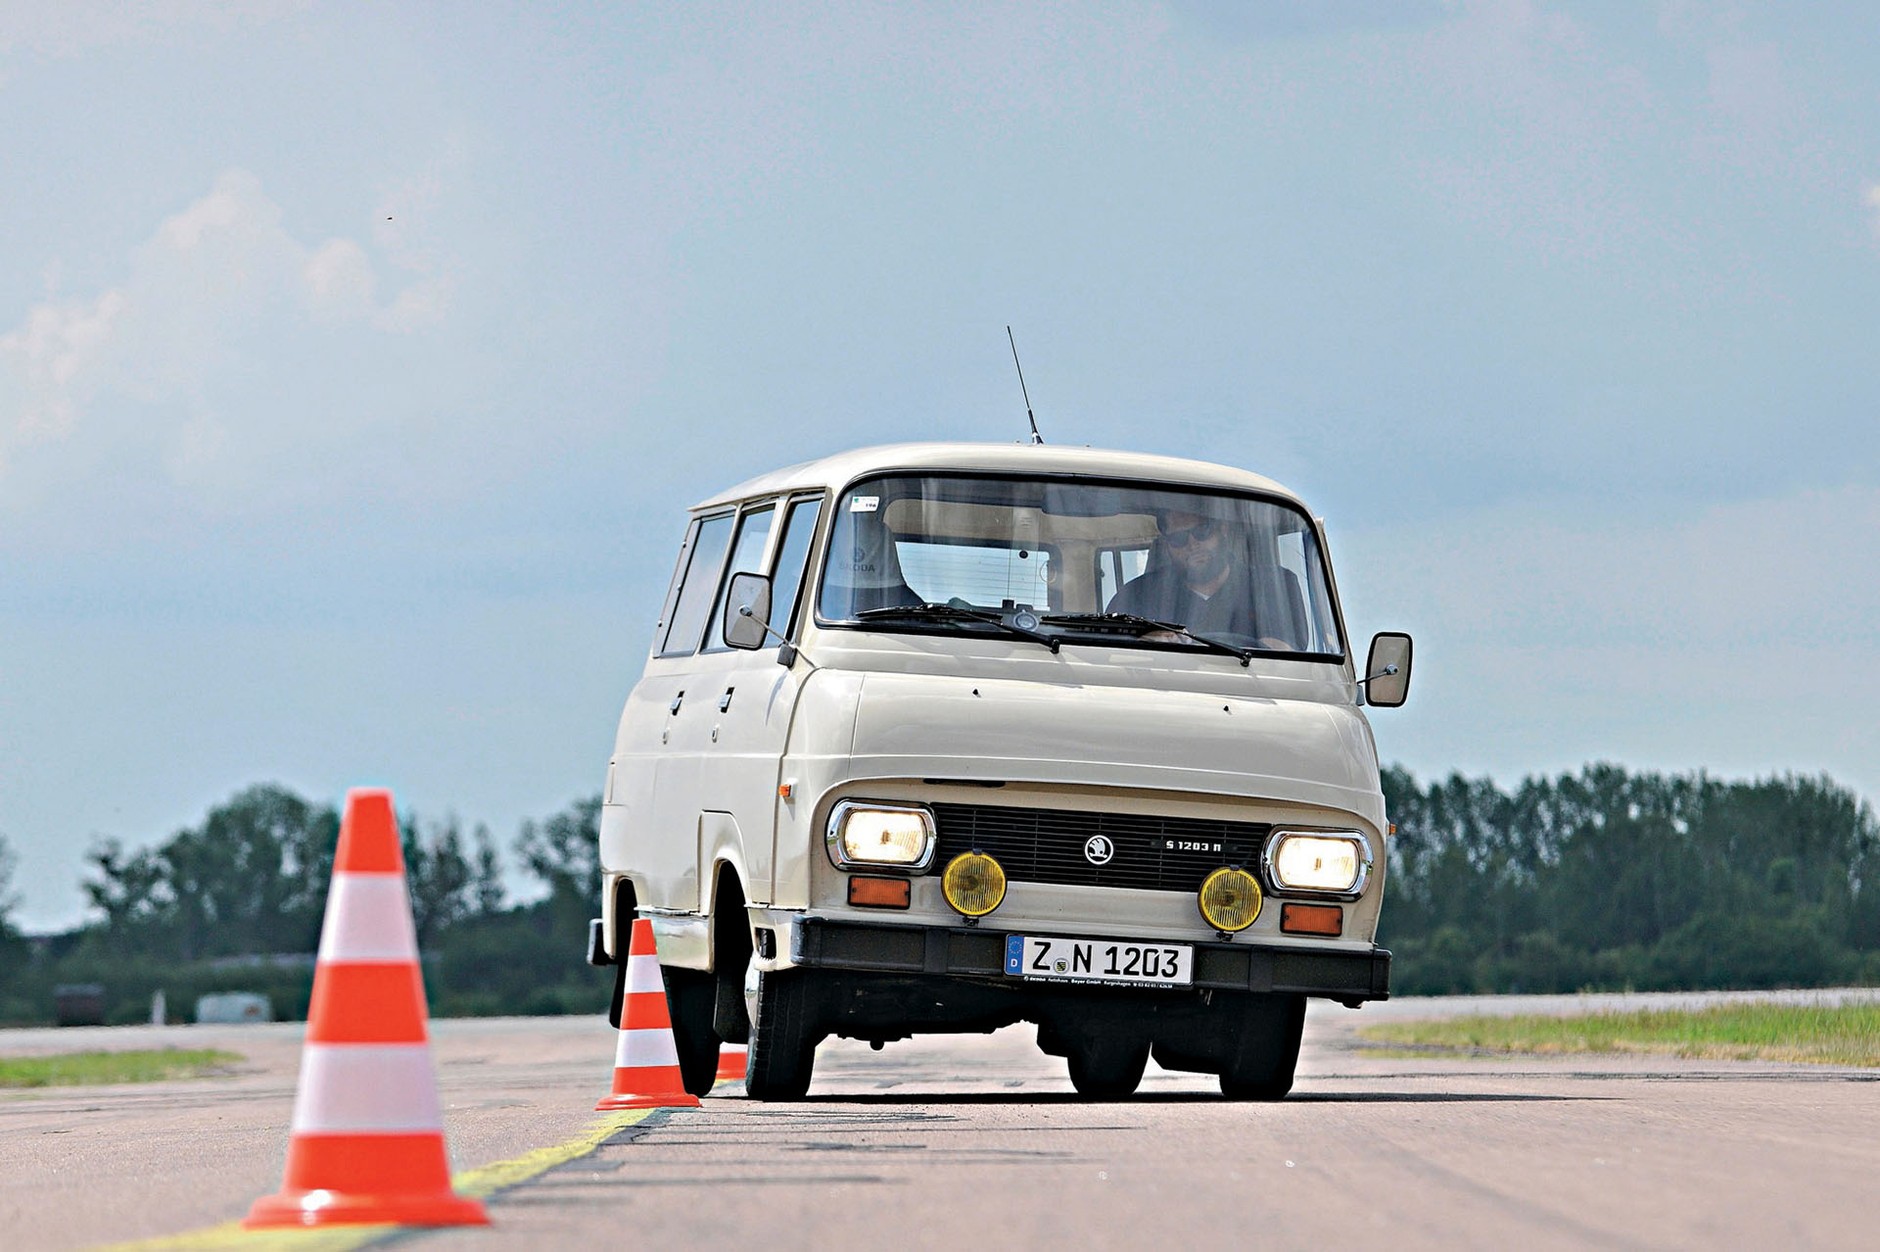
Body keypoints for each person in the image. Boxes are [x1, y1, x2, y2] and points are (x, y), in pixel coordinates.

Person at [1105, 507, 1257, 637]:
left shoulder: (1266, 588)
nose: (1192, 544)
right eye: (1179, 538)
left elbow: (1277, 652)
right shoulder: (1134, 596)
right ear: (1167, 545)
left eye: (1202, 531)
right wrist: (1143, 641)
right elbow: (1109, 653)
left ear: (1223, 530)